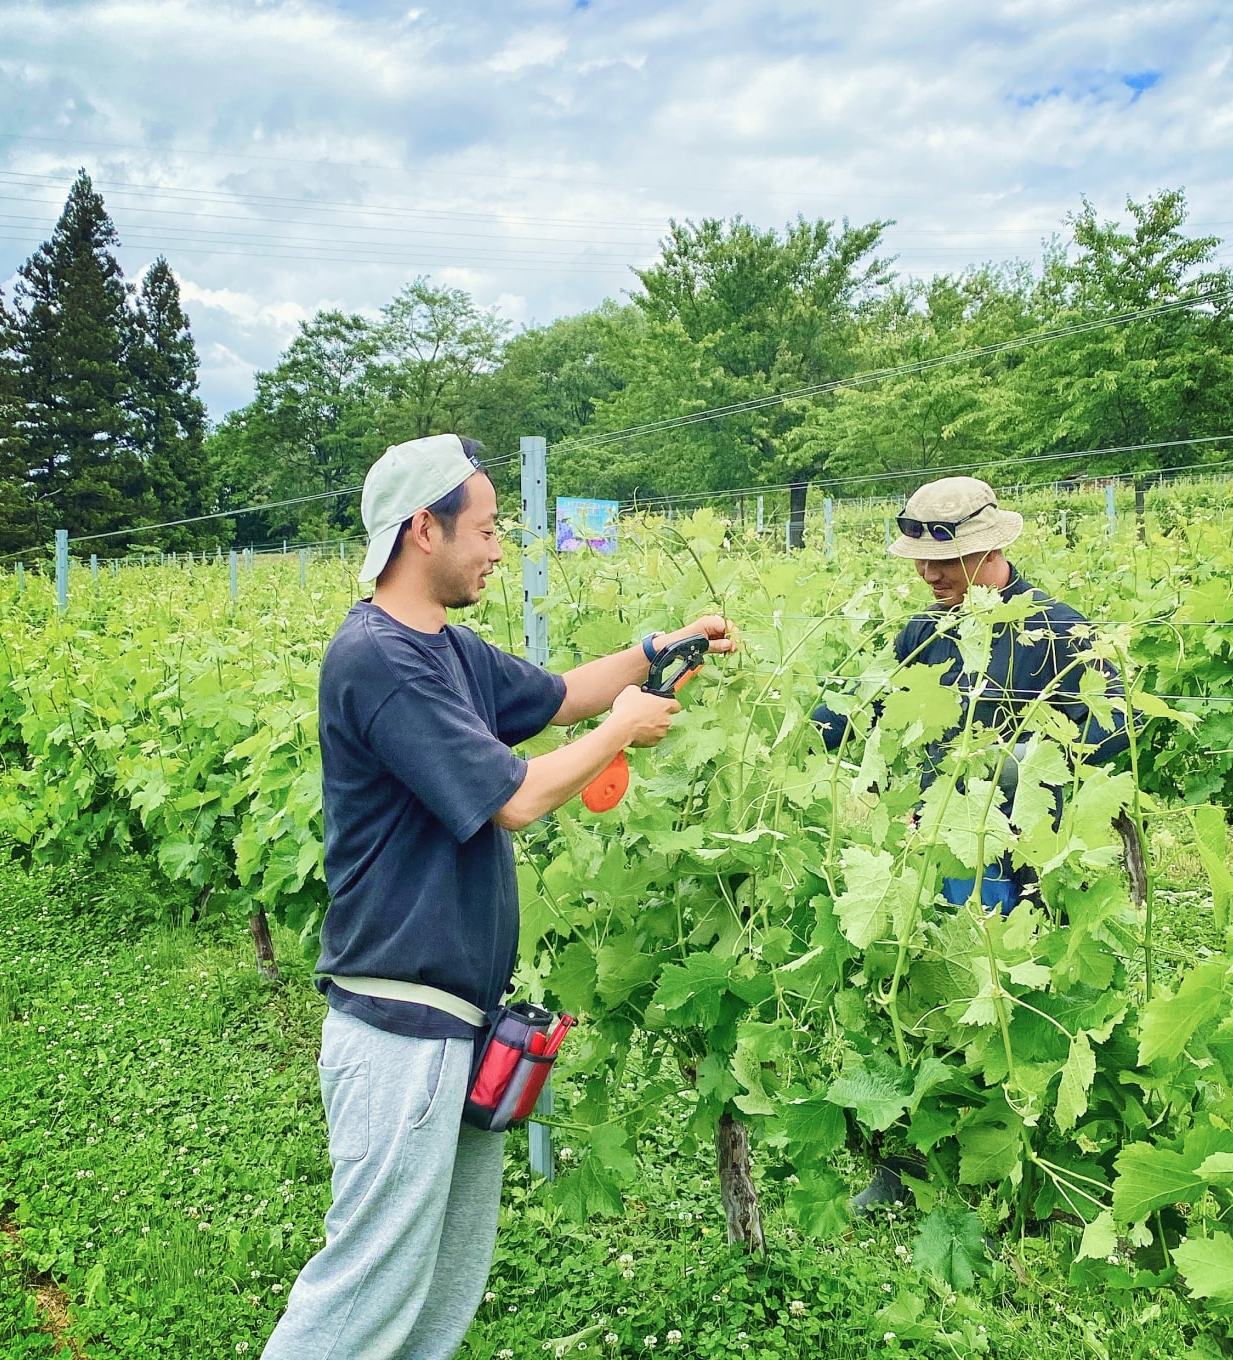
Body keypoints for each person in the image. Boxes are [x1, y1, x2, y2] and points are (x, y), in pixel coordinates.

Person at [261, 433, 735, 1360]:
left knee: (440, 1287)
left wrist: (657, 651)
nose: (496, 547)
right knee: (364, 1291)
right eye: (482, 529)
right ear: (420, 531)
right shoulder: (379, 660)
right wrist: (622, 734)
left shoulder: (448, 649)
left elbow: (560, 696)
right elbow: (516, 798)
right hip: (401, 1024)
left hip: (460, 1023)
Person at [820, 475, 1128, 1213]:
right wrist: (826, 722)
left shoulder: (1058, 631)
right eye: (920, 561)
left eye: (943, 560)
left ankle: (1026, 1167)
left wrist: (1015, 764)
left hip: (1031, 851)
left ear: (990, 548)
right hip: (938, 847)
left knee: (1021, 997)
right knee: (929, 990)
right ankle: (911, 1161)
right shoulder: (918, 635)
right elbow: (862, 717)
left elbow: (1113, 732)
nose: (927, 575)